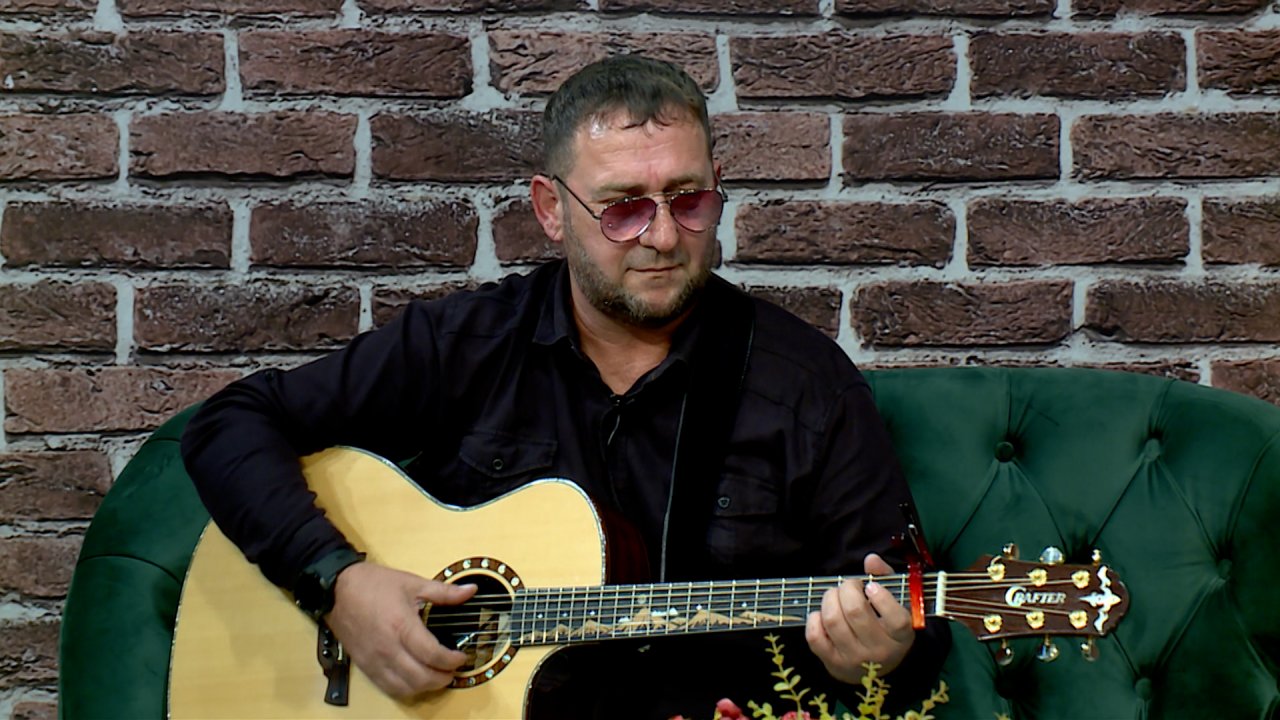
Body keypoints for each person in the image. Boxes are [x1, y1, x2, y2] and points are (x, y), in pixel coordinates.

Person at [180, 54, 950, 718]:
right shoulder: (467, 346)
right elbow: (229, 425)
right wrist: (339, 585)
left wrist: (882, 656)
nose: (661, 236)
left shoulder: (808, 388)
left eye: (688, 200)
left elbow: (908, 617)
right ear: (552, 209)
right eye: (622, 208)